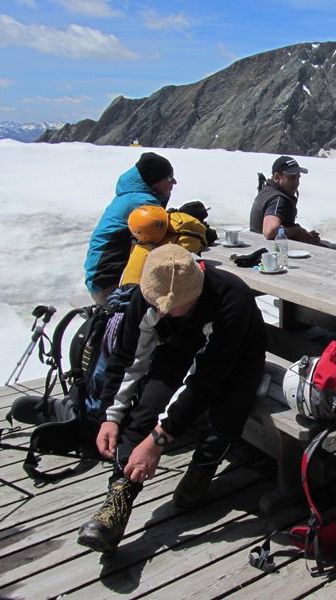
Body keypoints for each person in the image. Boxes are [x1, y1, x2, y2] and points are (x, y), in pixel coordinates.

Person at [76, 244, 266, 553]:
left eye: (171, 304)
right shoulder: (149, 294)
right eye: (156, 303)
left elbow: (203, 382)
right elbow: (127, 358)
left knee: (227, 410)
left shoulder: (231, 300)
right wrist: (110, 416)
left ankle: (204, 466)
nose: (161, 309)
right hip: (181, 345)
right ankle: (118, 500)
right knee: (148, 404)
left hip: (237, 354)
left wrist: (157, 442)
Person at [84, 152, 176, 305]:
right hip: (113, 288)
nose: (174, 181)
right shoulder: (143, 202)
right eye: (169, 177)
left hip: (100, 281)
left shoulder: (131, 196)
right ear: (154, 182)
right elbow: (165, 237)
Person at [249, 155, 336, 252]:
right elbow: (270, 231)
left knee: (330, 245)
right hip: (276, 252)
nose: (297, 182)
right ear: (277, 177)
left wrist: (303, 234)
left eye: (298, 178)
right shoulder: (278, 199)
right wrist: (297, 231)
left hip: (262, 247)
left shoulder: (267, 191)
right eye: (292, 178)